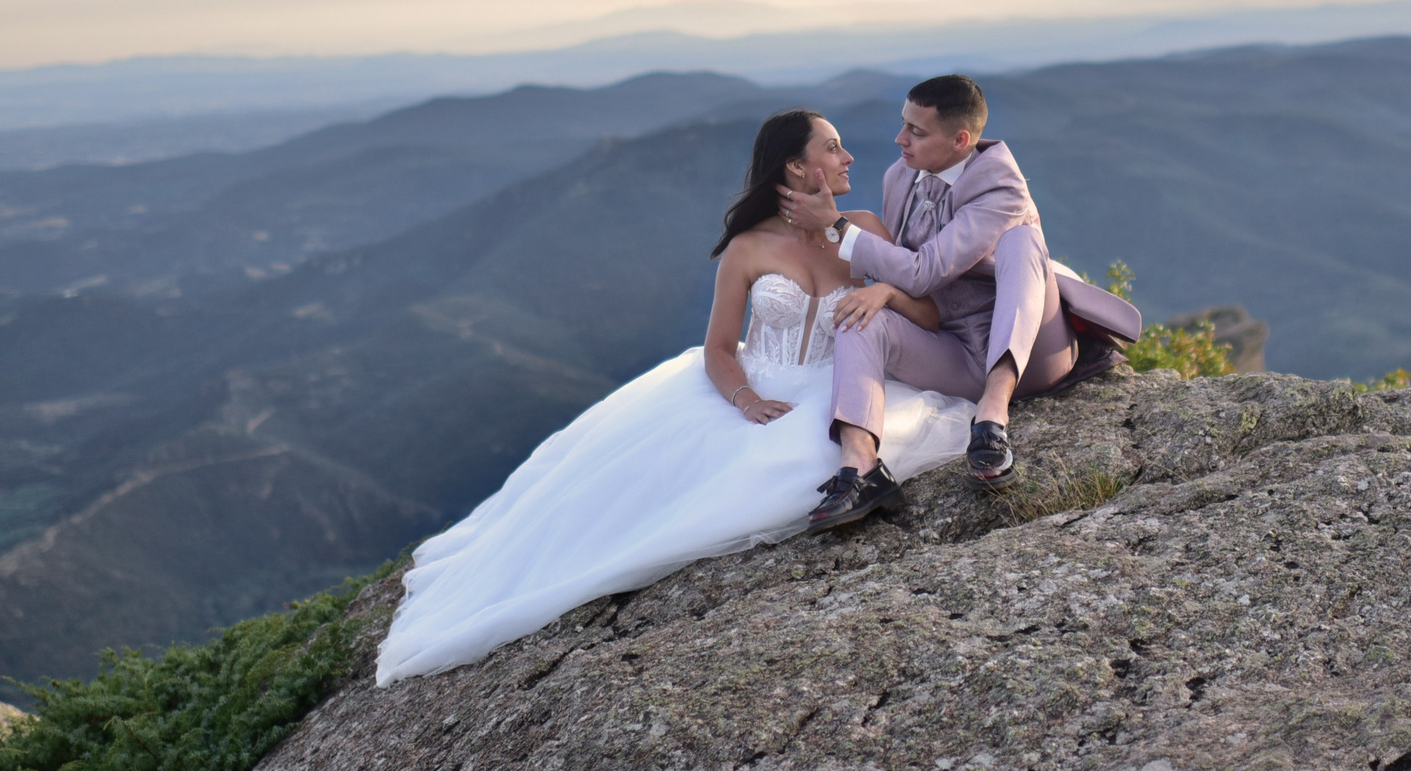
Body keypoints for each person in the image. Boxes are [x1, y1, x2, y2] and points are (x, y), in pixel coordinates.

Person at [373, 108, 974, 685]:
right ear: (796, 168)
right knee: (650, 498)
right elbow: (718, 348)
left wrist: (884, 295)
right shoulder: (749, 248)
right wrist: (745, 399)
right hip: (758, 385)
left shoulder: (864, 228)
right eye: (831, 148)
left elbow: (926, 310)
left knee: (817, 460)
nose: (847, 157)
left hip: (840, 382)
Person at [776, 74, 1140, 532]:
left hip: (1031, 356)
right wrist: (886, 293)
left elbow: (922, 271)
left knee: (1024, 241)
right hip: (950, 346)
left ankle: (992, 418)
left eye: (917, 131)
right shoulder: (899, 175)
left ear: (961, 140)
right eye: (903, 124)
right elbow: (903, 274)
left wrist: (839, 228)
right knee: (860, 315)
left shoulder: (1001, 187)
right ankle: (862, 469)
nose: (900, 139)